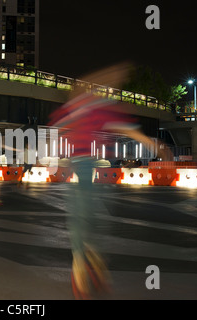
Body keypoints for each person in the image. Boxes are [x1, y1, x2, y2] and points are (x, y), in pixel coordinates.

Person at [48, 62, 172, 299]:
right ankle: (82, 263)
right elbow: (77, 91)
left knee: (86, 214)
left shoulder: (96, 109)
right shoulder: (77, 106)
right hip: (78, 165)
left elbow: (125, 129)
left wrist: (149, 143)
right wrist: (113, 74)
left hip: (86, 165)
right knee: (82, 214)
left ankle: (87, 256)